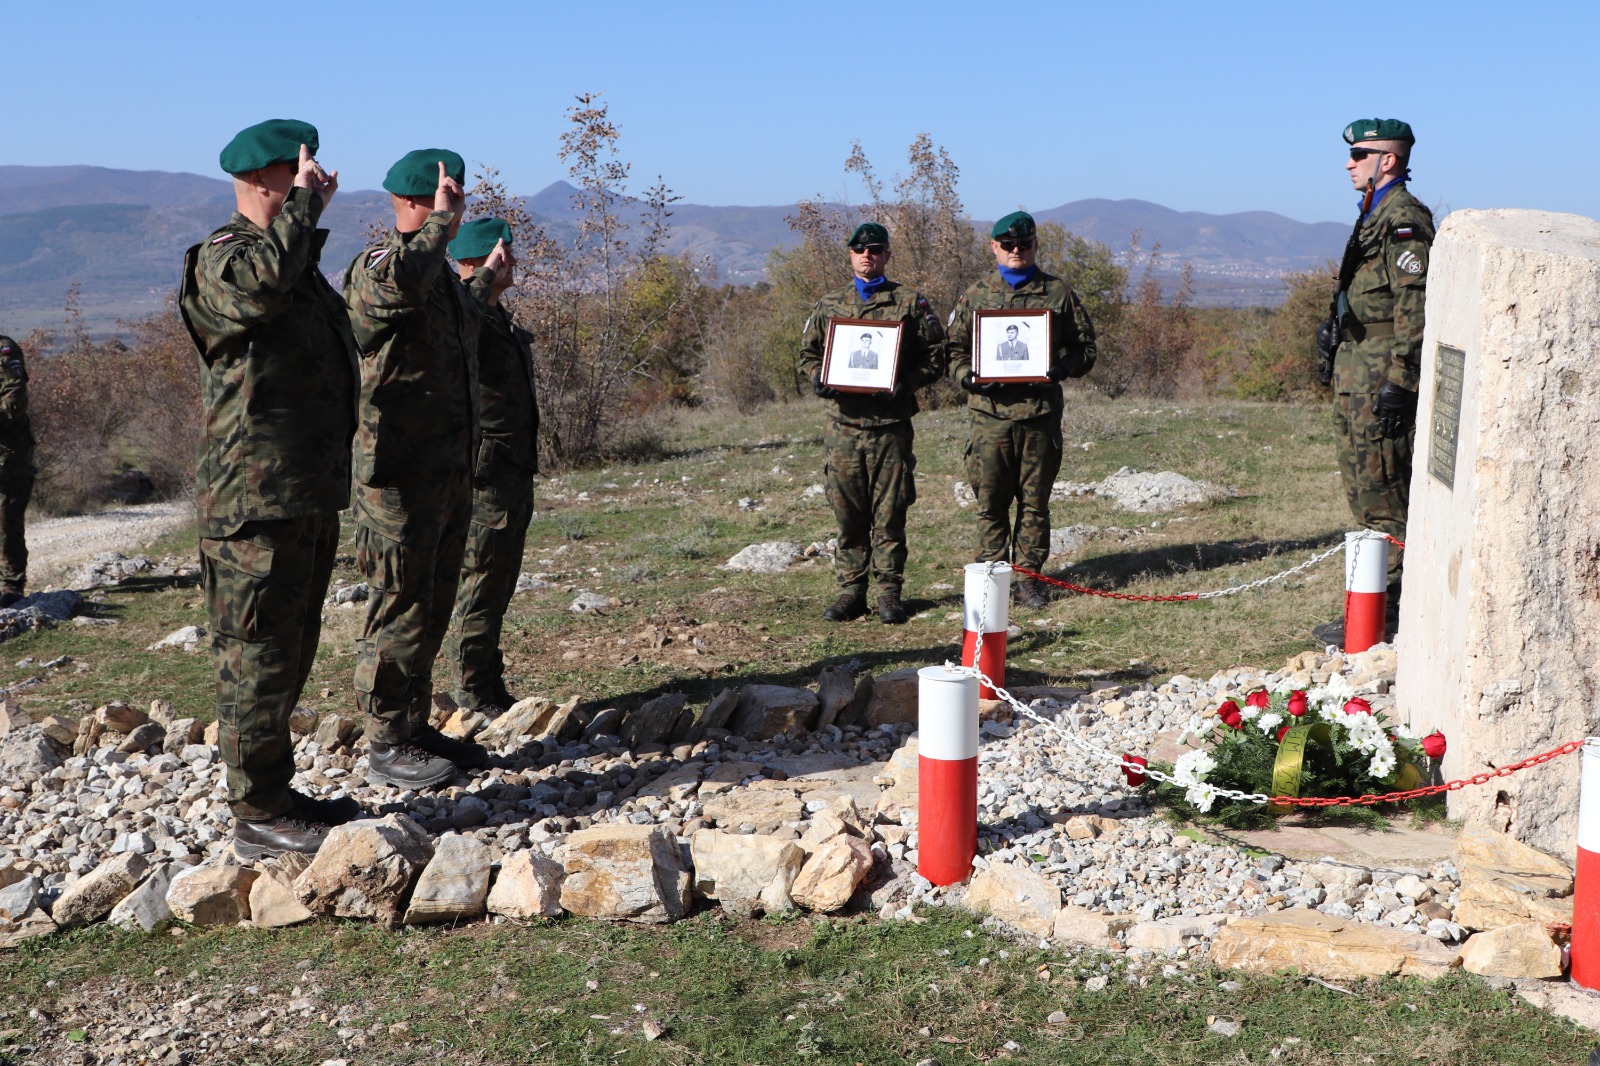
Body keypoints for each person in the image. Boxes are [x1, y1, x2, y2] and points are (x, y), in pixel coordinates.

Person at [177, 118, 361, 858]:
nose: (314, 177)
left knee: (289, 648)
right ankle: (255, 811)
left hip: (302, 489)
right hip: (251, 499)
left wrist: (303, 219)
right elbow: (256, 293)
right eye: (298, 169)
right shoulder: (223, 257)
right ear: (261, 179)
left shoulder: (294, 262)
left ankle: (275, 794)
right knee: (255, 654)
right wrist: (304, 212)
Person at [344, 149, 509, 789]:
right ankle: (386, 739)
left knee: (433, 604)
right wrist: (441, 225)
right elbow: (400, 286)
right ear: (416, 200)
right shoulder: (380, 264)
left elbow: (461, 314)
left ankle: (411, 725)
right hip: (398, 476)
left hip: (445, 471)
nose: (456, 202)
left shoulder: (437, 275)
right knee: (398, 605)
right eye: (445, 194)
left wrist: (486, 280)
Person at [1312, 119, 1433, 646]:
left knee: (1386, 498)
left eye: (1359, 154)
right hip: (1357, 371)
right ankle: (1372, 608)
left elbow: (1414, 304)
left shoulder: (1403, 218)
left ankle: (1391, 613)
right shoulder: (1373, 214)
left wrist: (1401, 380)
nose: (1349, 162)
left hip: (1381, 376)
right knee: (1365, 497)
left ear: (1388, 160)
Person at [948, 211, 1097, 610]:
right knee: (991, 503)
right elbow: (953, 350)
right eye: (1008, 245)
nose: (1016, 250)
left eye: (1024, 244)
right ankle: (993, 578)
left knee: (1034, 503)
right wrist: (968, 378)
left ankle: (1028, 579)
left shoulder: (1058, 293)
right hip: (990, 417)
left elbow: (1086, 348)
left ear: (1035, 246)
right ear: (994, 247)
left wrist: (1060, 369)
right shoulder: (976, 295)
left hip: (1038, 416)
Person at [799, 222, 945, 624]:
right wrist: (817, 377)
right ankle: (851, 591)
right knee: (847, 512)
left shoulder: (910, 302)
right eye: (861, 250)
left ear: (886, 255)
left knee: (890, 512)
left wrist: (904, 384)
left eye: (876, 250)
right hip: (843, 427)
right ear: (850, 254)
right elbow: (808, 354)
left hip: (890, 426)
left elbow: (936, 356)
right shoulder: (830, 304)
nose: (868, 255)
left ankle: (888, 592)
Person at [445, 217, 540, 715]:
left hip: (512, 468)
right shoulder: (467, 313)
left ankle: (488, 681)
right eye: (502, 253)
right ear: (475, 260)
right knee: (481, 580)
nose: (513, 261)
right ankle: (472, 690)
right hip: (485, 475)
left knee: (499, 579)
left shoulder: (495, 315)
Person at [0, 334, 34, 609]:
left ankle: (11, 584)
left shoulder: (4, 349)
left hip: (7, 452)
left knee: (6, 517)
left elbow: (15, 399)